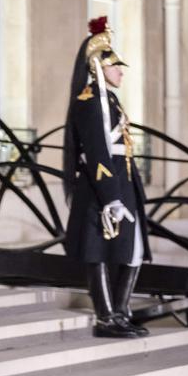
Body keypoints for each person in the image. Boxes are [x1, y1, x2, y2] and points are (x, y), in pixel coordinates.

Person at [64, 17, 151, 338]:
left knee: (133, 249)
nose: (121, 72)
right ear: (98, 67)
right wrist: (110, 196)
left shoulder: (109, 100)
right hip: (103, 187)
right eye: (115, 67)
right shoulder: (89, 102)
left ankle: (120, 310)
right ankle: (106, 316)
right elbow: (97, 151)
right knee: (98, 250)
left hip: (121, 181)